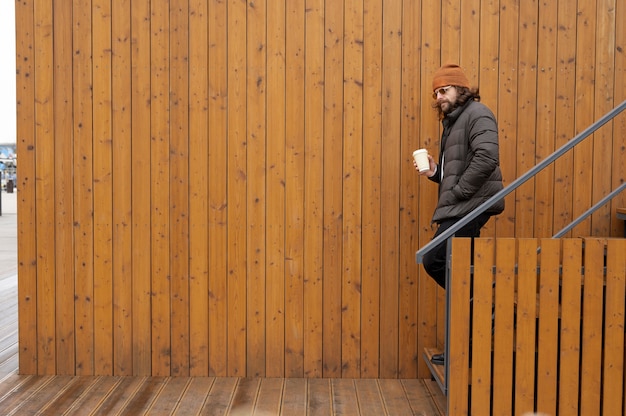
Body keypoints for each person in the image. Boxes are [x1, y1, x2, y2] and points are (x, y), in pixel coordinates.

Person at [415, 63, 505, 364]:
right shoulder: (453, 123)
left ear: (461, 89)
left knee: (433, 258)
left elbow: (487, 157)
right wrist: (434, 172)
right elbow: (454, 175)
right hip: (462, 204)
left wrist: (459, 193)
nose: (440, 96)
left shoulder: (477, 114)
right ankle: (466, 341)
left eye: (445, 89)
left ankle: (487, 305)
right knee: (460, 271)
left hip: (470, 206)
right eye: (436, 92)